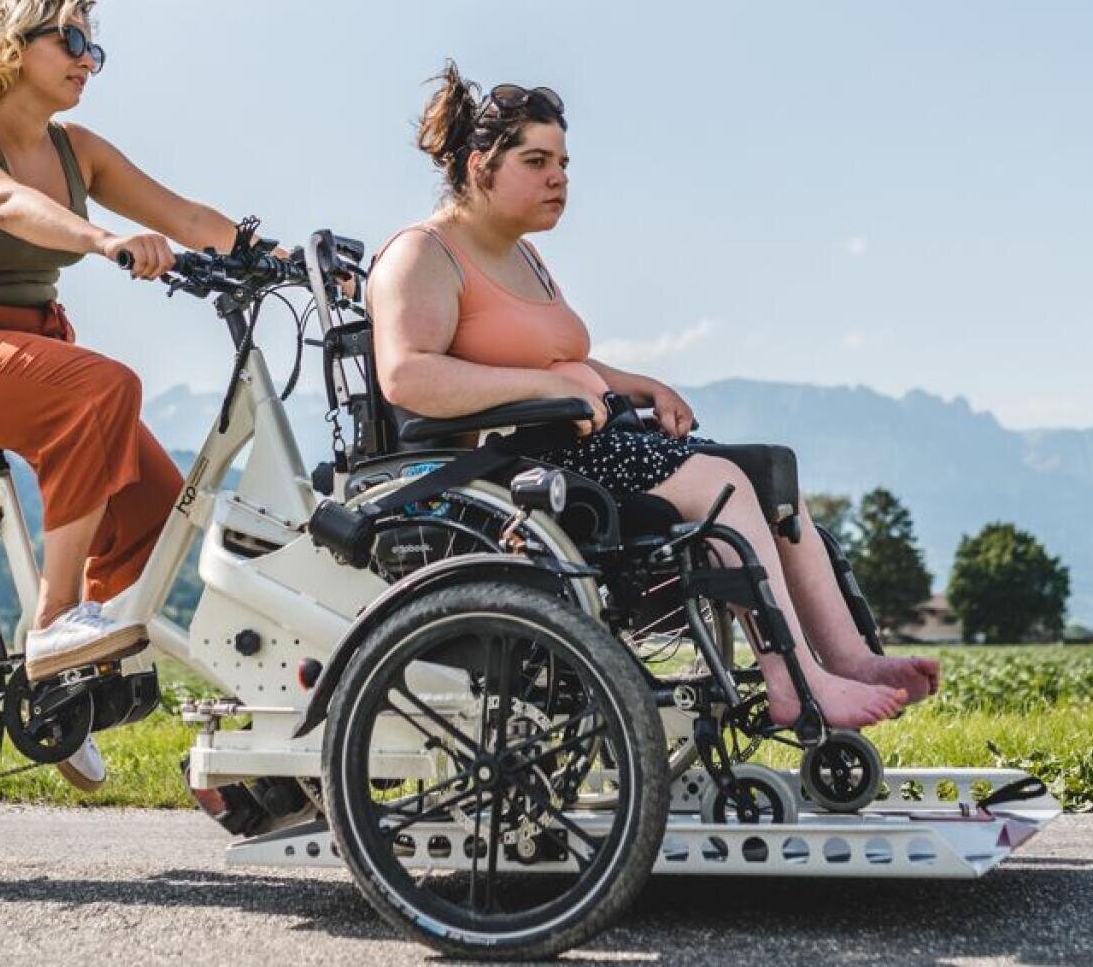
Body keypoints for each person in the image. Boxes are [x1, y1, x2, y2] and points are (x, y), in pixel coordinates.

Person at [367, 62, 941, 730]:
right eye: (536, 161)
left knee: (768, 474)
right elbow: (408, 376)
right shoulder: (422, 254)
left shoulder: (523, 255)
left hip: (582, 441)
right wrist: (551, 387)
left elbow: (558, 356)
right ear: (477, 167)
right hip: (520, 469)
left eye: (563, 162)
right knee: (721, 487)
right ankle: (796, 683)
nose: (560, 178)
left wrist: (635, 385)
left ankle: (846, 657)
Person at [0, 0, 244, 791]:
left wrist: (284, 261)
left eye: (95, 46)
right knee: (103, 386)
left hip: (29, 349)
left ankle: (74, 684)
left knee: (159, 506)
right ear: (14, 48)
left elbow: (188, 219)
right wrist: (102, 239)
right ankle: (53, 626)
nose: (88, 60)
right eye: (71, 41)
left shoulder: (81, 151)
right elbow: (2, 202)